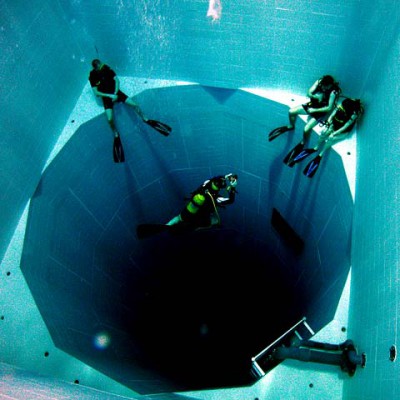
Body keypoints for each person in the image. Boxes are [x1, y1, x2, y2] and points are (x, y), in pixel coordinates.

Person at [268, 75, 341, 164]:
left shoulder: (333, 92)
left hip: (320, 111)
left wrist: (314, 110)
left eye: (325, 87)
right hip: (313, 105)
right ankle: (291, 126)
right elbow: (308, 93)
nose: (323, 88)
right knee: (291, 111)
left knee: (306, 129)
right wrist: (316, 97)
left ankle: (303, 142)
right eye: (322, 86)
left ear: (330, 85)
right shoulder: (319, 82)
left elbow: (329, 108)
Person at [89, 59, 171, 137]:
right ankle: (115, 133)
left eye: (101, 65)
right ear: (95, 68)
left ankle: (145, 119)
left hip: (116, 92)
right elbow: (96, 93)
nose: (101, 67)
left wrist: (115, 93)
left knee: (135, 104)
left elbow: (117, 80)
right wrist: (110, 96)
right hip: (107, 97)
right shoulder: (92, 76)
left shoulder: (106, 68)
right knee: (110, 119)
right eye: (99, 67)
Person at [290, 98, 364, 178]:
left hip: (342, 131)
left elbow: (346, 126)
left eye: (342, 108)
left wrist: (335, 133)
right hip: (335, 124)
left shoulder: (353, 114)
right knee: (324, 133)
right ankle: (316, 147)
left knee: (331, 138)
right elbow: (332, 114)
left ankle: (321, 153)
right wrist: (328, 123)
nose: (340, 108)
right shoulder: (341, 106)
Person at [166, 173, 238, 230]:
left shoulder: (206, 184)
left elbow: (214, 179)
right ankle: (194, 227)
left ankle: (168, 225)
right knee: (215, 220)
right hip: (201, 217)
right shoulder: (215, 198)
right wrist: (233, 188)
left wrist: (225, 177)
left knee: (179, 218)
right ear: (219, 188)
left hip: (191, 209)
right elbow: (230, 200)